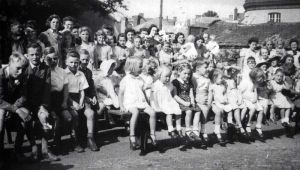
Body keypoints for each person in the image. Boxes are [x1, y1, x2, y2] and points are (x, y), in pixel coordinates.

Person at [0, 52, 38, 162]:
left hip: (11, 105)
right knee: (1, 115)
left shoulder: (22, 75)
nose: (20, 71)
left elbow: (23, 96)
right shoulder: (1, 75)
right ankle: (1, 154)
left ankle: (17, 150)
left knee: (26, 114)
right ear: (10, 63)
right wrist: (15, 109)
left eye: (22, 69)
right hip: (2, 106)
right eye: (18, 68)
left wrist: (14, 108)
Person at [24, 43, 59, 161]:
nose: (35, 57)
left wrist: (43, 106)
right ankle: (34, 148)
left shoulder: (46, 69)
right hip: (26, 103)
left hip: (40, 103)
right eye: (32, 54)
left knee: (45, 117)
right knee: (26, 119)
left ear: (41, 55)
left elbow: (46, 90)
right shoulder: (23, 68)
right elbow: (21, 91)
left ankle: (45, 149)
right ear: (27, 56)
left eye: (37, 54)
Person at [118, 57, 157, 150]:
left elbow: (143, 89)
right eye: (140, 66)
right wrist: (121, 106)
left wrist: (150, 88)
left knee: (152, 113)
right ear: (132, 67)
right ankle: (132, 135)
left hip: (141, 101)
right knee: (135, 112)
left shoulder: (140, 78)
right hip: (130, 102)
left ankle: (152, 134)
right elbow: (120, 94)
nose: (142, 68)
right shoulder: (126, 79)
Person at [65, 50, 98, 152]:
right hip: (68, 99)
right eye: (71, 62)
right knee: (74, 115)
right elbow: (65, 93)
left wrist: (81, 102)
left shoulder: (81, 74)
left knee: (90, 113)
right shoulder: (64, 73)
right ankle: (75, 140)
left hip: (80, 98)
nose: (74, 64)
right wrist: (73, 103)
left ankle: (90, 139)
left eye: (76, 62)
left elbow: (82, 91)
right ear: (66, 62)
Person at [45, 47, 71, 150]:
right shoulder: (45, 71)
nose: (53, 61)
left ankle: (59, 137)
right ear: (45, 59)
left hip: (59, 98)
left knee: (68, 117)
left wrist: (64, 101)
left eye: (55, 58)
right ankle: (53, 141)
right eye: (50, 59)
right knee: (55, 119)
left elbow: (65, 88)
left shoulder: (62, 71)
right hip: (48, 99)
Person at [151, 65, 183, 138]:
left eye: (169, 76)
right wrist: (157, 106)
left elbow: (173, 88)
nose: (168, 78)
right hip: (160, 102)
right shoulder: (156, 84)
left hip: (169, 101)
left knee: (178, 110)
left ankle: (178, 128)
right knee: (169, 113)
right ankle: (170, 129)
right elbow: (154, 96)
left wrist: (175, 91)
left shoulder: (169, 84)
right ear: (159, 76)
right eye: (166, 76)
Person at [172, 63, 201, 141]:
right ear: (178, 72)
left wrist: (192, 100)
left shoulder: (189, 82)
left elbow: (191, 92)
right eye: (184, 73)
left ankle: (195, 129)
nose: (187, 76)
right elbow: (175, 96)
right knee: (189, 111)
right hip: (180, 101)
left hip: (188, 100)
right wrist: (184, 103)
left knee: (198, 111)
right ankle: (188, 130)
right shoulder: (175, 82)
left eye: (188, 74)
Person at [78, 49, 99, 151]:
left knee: (94, 111)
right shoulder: (76, 71)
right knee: (89, 112)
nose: (85, 62)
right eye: (82, 60)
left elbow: (91, 86)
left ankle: (91, 138)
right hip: (77, 98)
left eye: (87, 60)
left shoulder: (89, 71)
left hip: (87, 98)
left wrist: (94, 96)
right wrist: (86, 98)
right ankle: (79, 139)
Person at [208, 69, 231, 144]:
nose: (222, 79)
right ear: (214, 78)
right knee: (218, 112)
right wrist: (209, 105)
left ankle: (229, 123)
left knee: (230, 109)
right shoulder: (212, 86)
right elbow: (210, 97)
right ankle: (217, 131)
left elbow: (224, 94)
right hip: (215, 103)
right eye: (220, 78)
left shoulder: (222, 86)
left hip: (223, 103)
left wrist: (226, 100)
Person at [192, 61, 211, 144]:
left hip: (205, 98)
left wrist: (209, 103)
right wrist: (197, 99)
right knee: (201, 109)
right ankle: (197, 131)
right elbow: (191, 90)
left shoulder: (207, 79)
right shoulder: (193, 77)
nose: (207, 69)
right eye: (205, 67)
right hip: (196, 98)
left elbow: (210, 92)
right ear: (197, 69)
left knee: (206, 109)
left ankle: (202, 130)